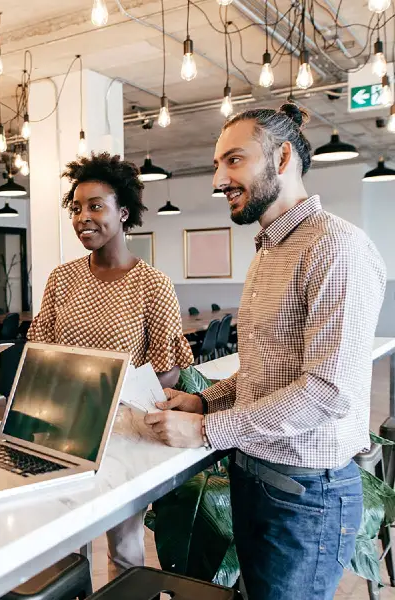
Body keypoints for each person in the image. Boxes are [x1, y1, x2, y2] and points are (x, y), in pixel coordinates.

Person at [147, 104, 386, 600]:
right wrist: (207, 400)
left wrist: (207, 430)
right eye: (217, 165)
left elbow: (326, 391)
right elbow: (264, 368)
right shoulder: (269, 250)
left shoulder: (336, 248)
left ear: (281, 160)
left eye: (233, 161)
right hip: (255, 481)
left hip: (305, 497)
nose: (218, 179)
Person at [27, 152, 194, 569]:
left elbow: (168, 368)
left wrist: (110, 390)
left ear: (123, 212)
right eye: (77, 208)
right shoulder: (61, 278)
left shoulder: (151, 283)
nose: (84, 216)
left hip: (123, 428)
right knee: (64, 540)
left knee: (123, 545)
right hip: (61, 424)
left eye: (96, 206)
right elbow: (41, 350)